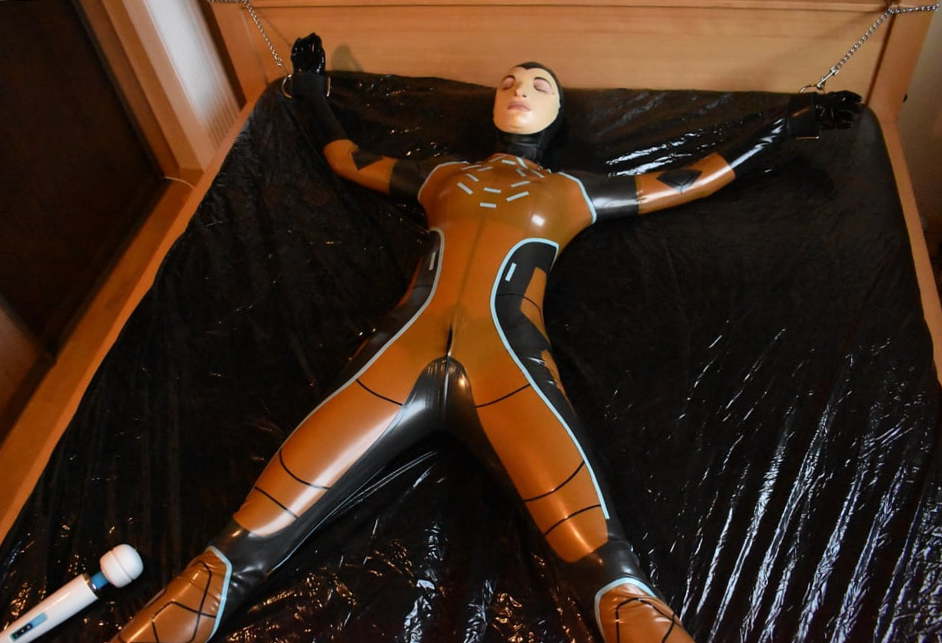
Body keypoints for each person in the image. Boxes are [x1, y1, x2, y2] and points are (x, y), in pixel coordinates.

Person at [110, 33, 859, 643]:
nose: (519, 86)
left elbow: (691, 177)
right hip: (400, 359)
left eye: (538, 82)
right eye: (509, 79)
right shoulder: (443, 176)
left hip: (507, 370)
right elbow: (344, 159)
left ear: (560, 114)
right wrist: (310, 90)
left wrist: (784, 126)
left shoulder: (573, 191)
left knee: (611, 577)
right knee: (239, 547)